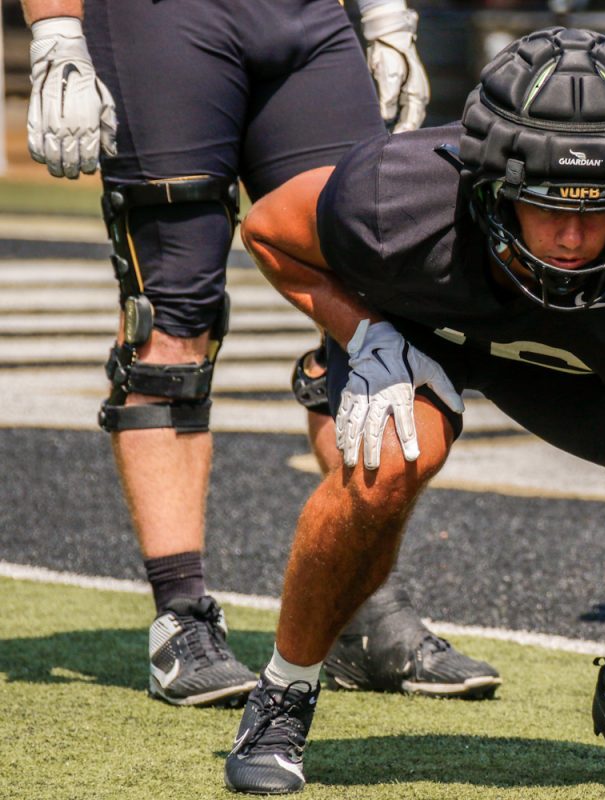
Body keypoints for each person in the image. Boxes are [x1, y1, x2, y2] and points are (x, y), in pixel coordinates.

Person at [222, 27, 605, 799]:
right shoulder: (394, 197)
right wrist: (364, 330)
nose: (570, 238)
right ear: (491, 181)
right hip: (421, 325)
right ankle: (282, 695)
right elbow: (266, 231)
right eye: (545, 205)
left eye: (600, 211)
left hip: (564, 364)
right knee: (390, 464)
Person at [22, 0, 498, 707]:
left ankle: (359, 612)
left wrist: (385, 15)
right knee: (174, 314)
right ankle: (181, 618)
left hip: (306, 18)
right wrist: (54, 29)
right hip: (160, 20)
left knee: (373, 288)